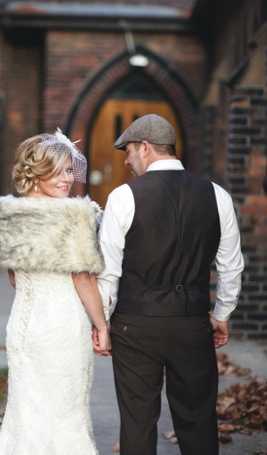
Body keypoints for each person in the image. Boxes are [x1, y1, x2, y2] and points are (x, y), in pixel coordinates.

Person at [95, 114, 244, 455]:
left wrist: (102, 323)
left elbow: (109, 271)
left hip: (135, 324)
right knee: (197, 420)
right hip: (192, 322)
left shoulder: (123, 197)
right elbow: (231, 265)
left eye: (130, 151)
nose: (127, 159)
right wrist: (221, 313)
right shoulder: (217, 196)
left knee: (137, 421)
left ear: (145, 148)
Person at [0, 129, 111, 455]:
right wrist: (101, 325)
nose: (67, 179)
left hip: (23, 324)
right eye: (57, 171)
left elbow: (15, 279)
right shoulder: (74, 214)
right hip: (62, 325)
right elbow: (83, 279)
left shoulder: (11, 213)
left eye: (70, 170)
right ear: (36, 173)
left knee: (25, 414)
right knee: (66, 415)